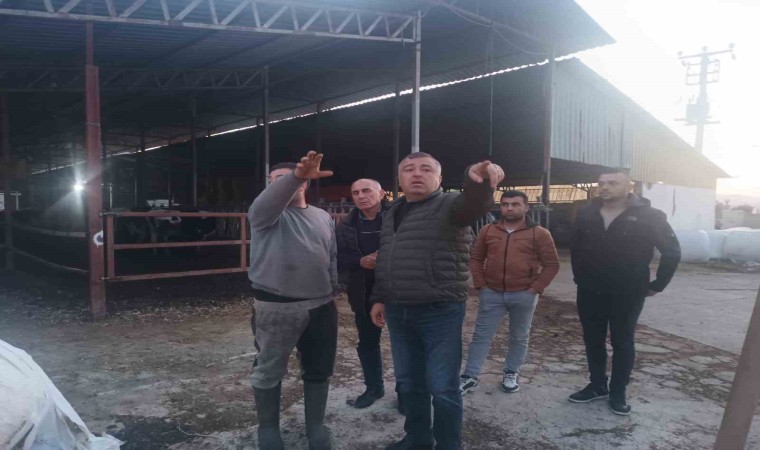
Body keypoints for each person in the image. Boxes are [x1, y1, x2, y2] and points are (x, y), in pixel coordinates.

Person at [370, 152, 504, 450]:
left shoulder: (451, 205)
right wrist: (379, 297)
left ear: (439, 178)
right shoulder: (393, 212)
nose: (417, 174)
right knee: (409, 383)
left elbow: (475, 203)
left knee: (443, 387)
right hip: (398, 310)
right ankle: (417, 439)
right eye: (409, 169)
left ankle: (447, 444)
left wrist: (477, 180)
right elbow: (386, 257)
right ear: (400, 178)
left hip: (438, 311)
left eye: (426, 169)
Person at [568, 168, 681, 416]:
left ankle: (618, 391)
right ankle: (597, 385)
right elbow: (575, 247)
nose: (605, 187)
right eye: (601, 183)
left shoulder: (649, 215)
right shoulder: (586, 213)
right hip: (590, 289)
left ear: (628, 187)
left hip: (628, 291)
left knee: (622, 340)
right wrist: (580, 276)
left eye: (612, 183)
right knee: (592, 339)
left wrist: (658, 284)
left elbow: (672, 251)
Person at [247, 151, 338, 450]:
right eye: (275, 181)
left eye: (287, 179)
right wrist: (295, 175)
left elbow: (331, 255)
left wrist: (333, 287)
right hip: (277, 306)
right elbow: (266, 203)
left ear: (307, 184)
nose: (281, 184)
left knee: (319, 367)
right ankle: (268, 429)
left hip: (321, 305)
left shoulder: (322, 216)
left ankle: (315, 427)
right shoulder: (265, 216)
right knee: (270, 368)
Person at [459, 190, 560, 395]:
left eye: (515, 204)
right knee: (481, 336)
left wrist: (535, 289)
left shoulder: (539, 233)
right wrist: (481, 284)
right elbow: (476, 258)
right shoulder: (488, 230)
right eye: (505, 204)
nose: (509, 208)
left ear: (526, 207)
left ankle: (511, 373)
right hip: (492, 293)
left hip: (524, 294)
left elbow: (551, 264)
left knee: (519, 336)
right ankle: (470, 376)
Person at [336, 179, 404, 410]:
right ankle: (373, 388)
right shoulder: (346, 225)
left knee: (404, 343)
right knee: (367, 342)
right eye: (355, 192)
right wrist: (360, 261)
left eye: (366, 191)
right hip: (362, 290)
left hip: (399, 289)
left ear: (382, 193)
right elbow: (338, 257)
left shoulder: (399, 217)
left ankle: (407, 392)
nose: (361, 196)